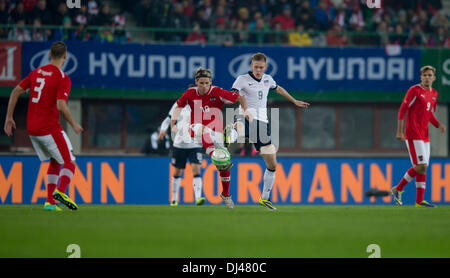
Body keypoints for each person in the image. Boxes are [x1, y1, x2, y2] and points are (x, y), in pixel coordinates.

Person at [3, 41, 83, 211]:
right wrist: (74, 123)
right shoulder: (62, 78)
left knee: (55, 160)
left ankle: (49, 202)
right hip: (49, 128)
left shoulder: (36, 73)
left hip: (32, 129)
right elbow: (61, 106)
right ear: (65, 56)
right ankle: (60, 192)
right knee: (70, 161)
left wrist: (8, 117)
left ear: (49, 55)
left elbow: (15, 91)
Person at [228, 53, 310, 210]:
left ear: (265, 67)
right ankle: (230, 133)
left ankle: (264, 198)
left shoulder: (268, 79)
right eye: (256, 67)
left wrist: (293, 101)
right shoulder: (242, 79)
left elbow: (278, 89)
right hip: (245, 115)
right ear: (251, 65)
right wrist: (245, 109)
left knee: (272, 163)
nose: (258, 70)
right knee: (241, 128)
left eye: (261, 67)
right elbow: (235, 94)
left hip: (262, 123)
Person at [170, 68, 249, 209]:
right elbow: (178, 106)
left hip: (215, 132)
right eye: (201, 83)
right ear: (196, 82)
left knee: (224, 166)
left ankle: (226, 194)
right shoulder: (189, 93)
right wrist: (172, 123)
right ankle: (214, 153)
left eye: (207, 83)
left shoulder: (217, 91)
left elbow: (239, 97)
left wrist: (244, 112)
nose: (204, 86)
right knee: (203, 130)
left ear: (210, 82)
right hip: (195, 128)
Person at [392, 65, 445, 208]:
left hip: (424, 134)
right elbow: (402, 110)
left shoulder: (434, 93)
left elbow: (429, 114)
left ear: (434, 78)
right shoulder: (414, 91)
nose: (427, 77)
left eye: (430, 75)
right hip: (413, 133)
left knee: (423, 167)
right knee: (420, 166)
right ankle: (398, 189)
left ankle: (419, 201)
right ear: (421, 77)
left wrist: (438, 124)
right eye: (425, 75)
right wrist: (399, 131)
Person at [159, 87, 206, 206]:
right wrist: (163, 129)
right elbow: (169, 119)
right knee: (177, 171)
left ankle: (198, 198)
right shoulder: (178, 104)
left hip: (195, 143)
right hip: (179, 144)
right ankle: (174, 199)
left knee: (196, 168)